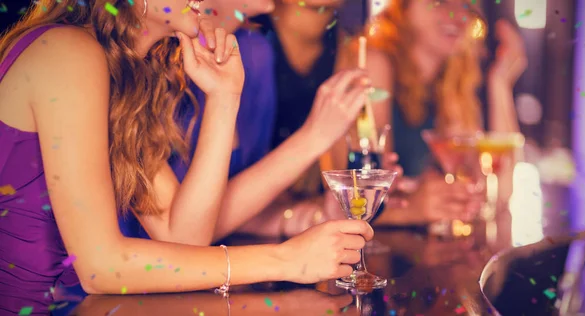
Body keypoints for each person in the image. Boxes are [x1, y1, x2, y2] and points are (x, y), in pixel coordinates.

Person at [0, 0, 374, 313]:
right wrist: (285, 259)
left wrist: (224, 97)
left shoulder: (123, 80)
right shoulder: (67, 51)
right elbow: (100, 266)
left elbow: (185, 238)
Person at [141, 0, 378, 241]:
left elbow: (234, 208)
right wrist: (313, 137)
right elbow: (182, 237)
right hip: (153, 269)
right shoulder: (136, 66)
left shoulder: (253, 52)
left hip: (207, 264)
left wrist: (311, 216)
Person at [334, 0, 527, 225]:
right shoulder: (375, 65)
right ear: (403, 6)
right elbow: (358, 200)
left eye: (466, 6)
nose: (457, 15)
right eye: (440, 2)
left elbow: (498, 192)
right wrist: (414, 208)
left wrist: (500, 83)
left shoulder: (454, 81)